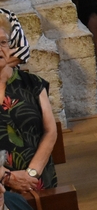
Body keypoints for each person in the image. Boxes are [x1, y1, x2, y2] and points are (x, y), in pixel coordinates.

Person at [0, 17, 58, 192]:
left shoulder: (32, 84)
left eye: (3, 42)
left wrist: (31, 174)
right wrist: (6, 177)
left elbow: (50, 131)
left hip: (36, 182)